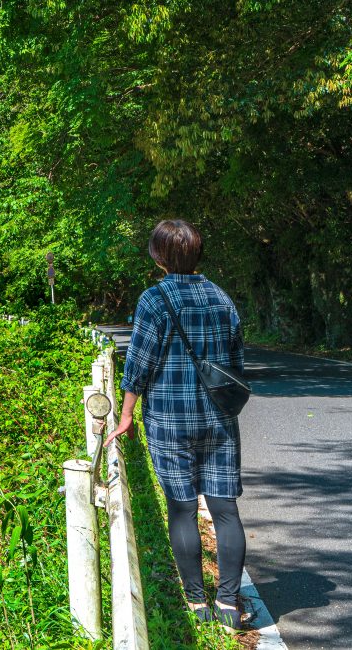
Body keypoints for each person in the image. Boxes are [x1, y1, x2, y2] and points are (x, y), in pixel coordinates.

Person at [105, 218, 247, 630]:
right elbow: (236, 360)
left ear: (159, 255)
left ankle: (196, 601)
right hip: (220, 419)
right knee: (224, 508)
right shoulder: (222, 298)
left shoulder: (154, 299)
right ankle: (229, 603)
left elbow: (139, 364)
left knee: (182, 508)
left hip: (169, 420)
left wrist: (127, 414)